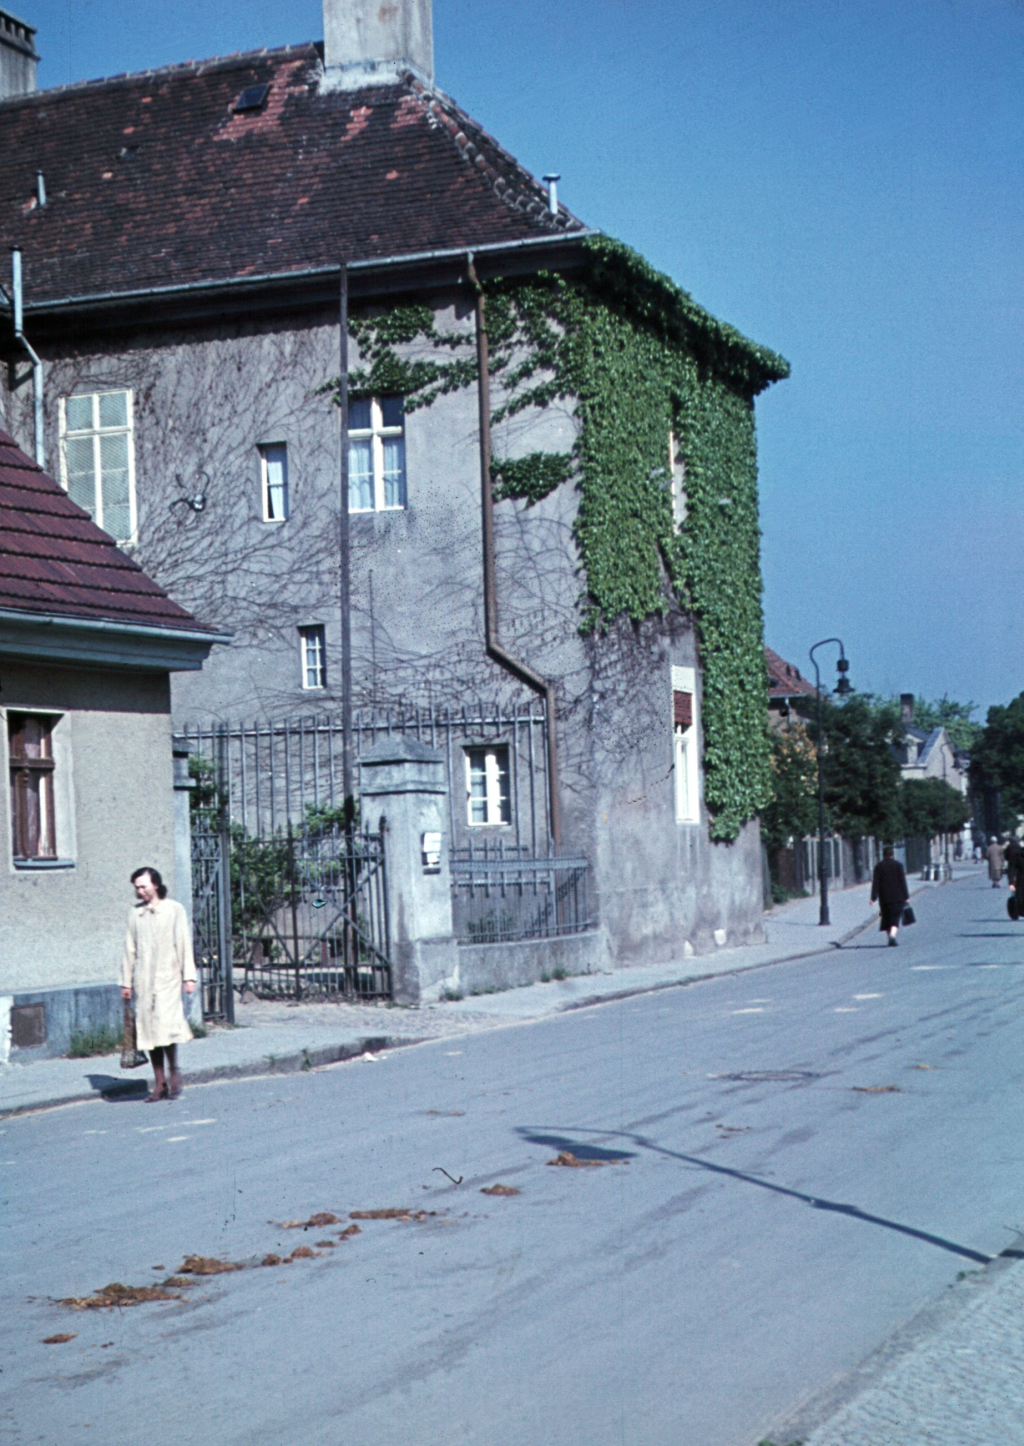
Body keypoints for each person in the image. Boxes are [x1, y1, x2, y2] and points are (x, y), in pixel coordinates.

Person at [120, 866, 197, 1101]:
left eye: (143, 886)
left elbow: (183, 942)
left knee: (167, 1026)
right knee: (148, 1031)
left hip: (168, 977)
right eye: (137, 887)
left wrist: (188, 976)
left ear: (155, 884)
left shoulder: (174, 910)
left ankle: (174, 1069)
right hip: (143, 980)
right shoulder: (136, 914)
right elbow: (129, 948)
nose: (140, 891)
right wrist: (126, 982)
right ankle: (159, 1082)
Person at [871, 845, 910, 947]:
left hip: (884, 898)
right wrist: (906, 896)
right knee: (896, 917)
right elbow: (903, 882)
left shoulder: (878, 866)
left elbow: (876, 883)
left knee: (885, 917)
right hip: (898, 897)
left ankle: (890, 937)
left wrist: (873, 898)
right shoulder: (898, 865)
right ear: (892, 854)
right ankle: (892, 936)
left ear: (883, 855)